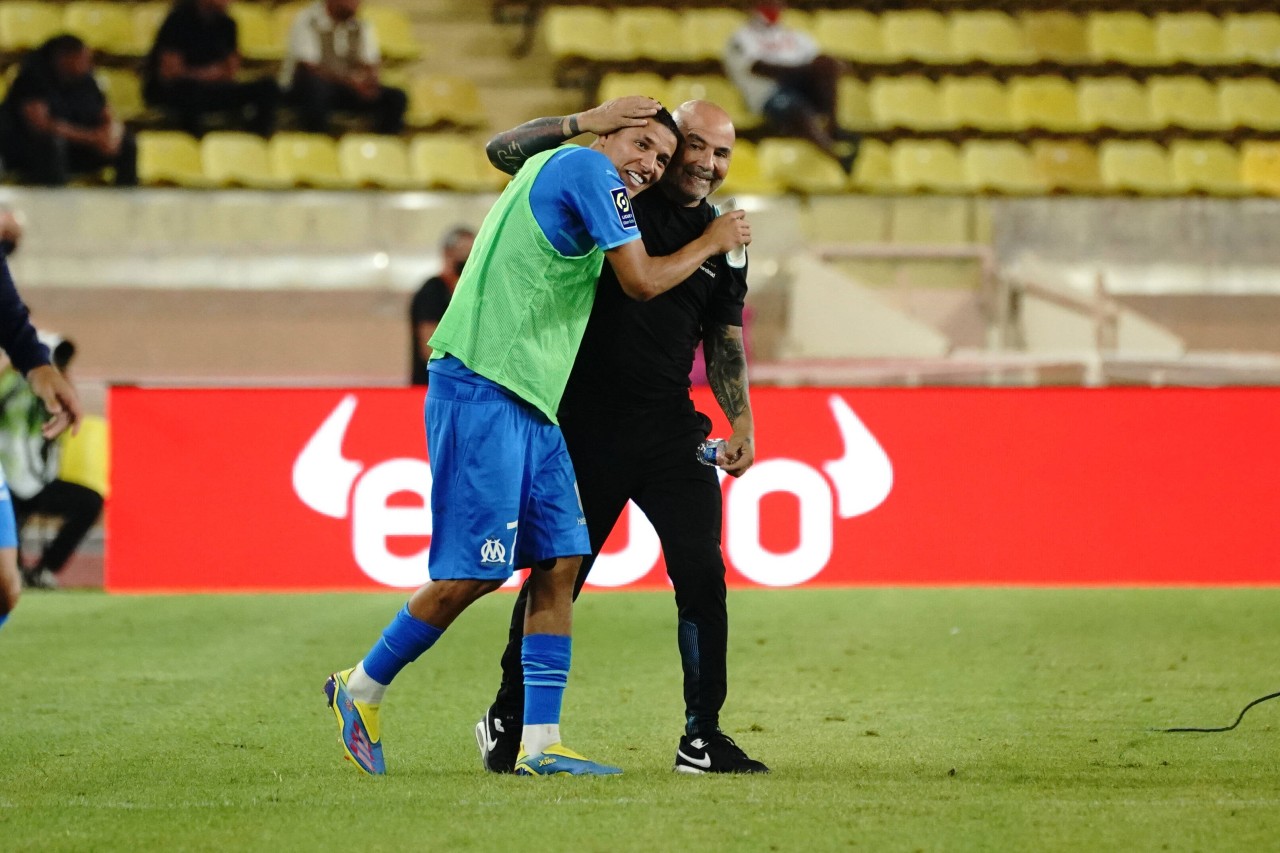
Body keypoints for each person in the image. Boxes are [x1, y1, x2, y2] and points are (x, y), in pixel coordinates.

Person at [324, 96, 752, 778]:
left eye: (661, 158)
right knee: (480, 568)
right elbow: (639, 281)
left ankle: (538, 742)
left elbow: (503, 148)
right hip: (483, 379)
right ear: (610, 133)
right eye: (643, 146)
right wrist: (709, 238)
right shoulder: (588, 171)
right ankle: (362, 685)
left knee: (559, 559)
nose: (651, 165)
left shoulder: (564, 168)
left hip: (537, 398)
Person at [475, 100, 768, 775]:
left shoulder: (728, 241)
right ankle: (509, 712)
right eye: (691, 146)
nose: (704, 163)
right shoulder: (615, 196)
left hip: (672, 428)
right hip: (587, 423)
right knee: (558, 577)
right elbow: (506, 152)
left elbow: (723, 338)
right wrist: (587, 120)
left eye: (721, 153)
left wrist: (743, 422)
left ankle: (703, 734)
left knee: (702, 571)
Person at [0, 210, 83, 629]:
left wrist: (39, 366)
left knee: (4, 586)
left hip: (19, 474)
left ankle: (41, 569)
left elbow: (11, 314)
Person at [0, 333, 103, 591]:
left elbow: (67, 413)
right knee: (9, 514)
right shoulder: (10, 382)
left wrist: (61, 374)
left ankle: (45, 569)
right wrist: (16, 366)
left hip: (39, 481)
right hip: (6, 481)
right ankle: (16, 572)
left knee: (89, 502)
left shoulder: (54, 389)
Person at [723, 0, 857, 173]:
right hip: (767, 95)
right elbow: (760, 68)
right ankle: (834, 153)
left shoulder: (795, 36)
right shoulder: (740, 38)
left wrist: (832, 66)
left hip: (800, 86)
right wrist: (803, 71)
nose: (773, 7)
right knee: (795, 107)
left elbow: (820, 62)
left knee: (827, 65)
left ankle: (834, 126)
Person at [0, 35, 138, 187]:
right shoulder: (31, 79)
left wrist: (112, 136)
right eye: (82, 58)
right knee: (52, 145)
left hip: (79, 147)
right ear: (63, 58)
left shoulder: (87, 80)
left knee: (127, 143)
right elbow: (42, 125)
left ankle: (127, 196)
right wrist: (92, 138)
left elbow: (108, 114)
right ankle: (55, 200)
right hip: (32, 151)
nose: (88, 63)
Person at [143, 0, 280, 137]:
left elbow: (231, 69)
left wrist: (214, 74)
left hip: (212, 88)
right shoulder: (177, 20)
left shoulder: (228, 24)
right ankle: (193, 143)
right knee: (189, 91)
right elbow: (170, 73)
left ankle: (256, 140)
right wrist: (208, 74)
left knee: (267, 87)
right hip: (174, 90)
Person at [281, 0, 408, 135]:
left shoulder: (362, 25)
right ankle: (319, 141)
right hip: (310, 89)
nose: (356, 4)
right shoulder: (308, 20)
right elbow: (309, 67)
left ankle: (385, 145)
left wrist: (369, 81)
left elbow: (370, 63)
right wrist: (350, 83)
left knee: (396, 97)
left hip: (349, 88)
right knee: (316, 89)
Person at [409, 226, 474, 386]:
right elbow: (429, 348)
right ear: (447, 253)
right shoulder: (433, 291)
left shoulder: (470, 295)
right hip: (433, 387)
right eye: (463, 252)